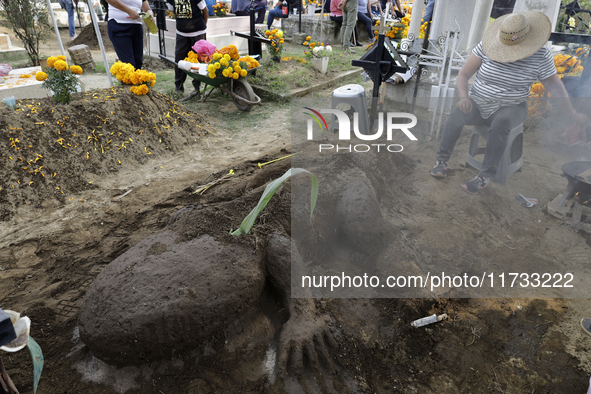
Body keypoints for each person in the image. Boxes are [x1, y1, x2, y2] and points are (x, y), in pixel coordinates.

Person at [430, 11, 588, 194]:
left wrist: (572, 114)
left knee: (502, 122)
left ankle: (484, 176)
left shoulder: (540, 54)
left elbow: (556, 87)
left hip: (512, 106)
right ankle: (441, 161)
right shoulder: (487, 46)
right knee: (456, 115)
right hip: (479, 101)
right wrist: (464, 98)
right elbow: (463, 75)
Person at [167, 0, 208, 93]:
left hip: (198, 32)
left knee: (198, 59)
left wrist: (204, 26)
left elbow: (205, 11)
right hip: (181, 33)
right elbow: (172, 10)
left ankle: (197, 85)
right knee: (179, 59)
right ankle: (179, 85)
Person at [106, 0, 155, 69]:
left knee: (138, 64)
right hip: (119, 25)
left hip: (137, 27)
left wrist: (150, 13)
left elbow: (147, 9)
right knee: (128, 65)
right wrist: (129, 11)